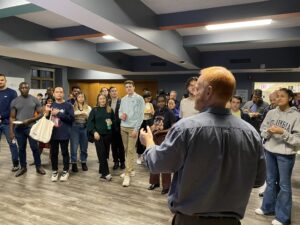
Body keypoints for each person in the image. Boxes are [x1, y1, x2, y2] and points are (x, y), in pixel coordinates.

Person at [140, 66, 266, 225]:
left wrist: (149, 142)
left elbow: (158, 164)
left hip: (190, 220)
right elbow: (258, 180)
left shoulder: (185, 128)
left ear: (208, 92)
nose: (194, 93)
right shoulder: (251, 133)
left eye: (197, 89)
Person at [255, 88, 300, 225]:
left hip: (286, 155)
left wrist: (283, 132)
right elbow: (262, 131)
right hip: (269, 151)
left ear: (290, 99)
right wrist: (268, 132)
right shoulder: (271, 112)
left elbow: (298, 140)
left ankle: (283, 217)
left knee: (284, 185)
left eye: (282, 96)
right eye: (277, 96)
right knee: (270, 181)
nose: (279, 99)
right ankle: (267, 208)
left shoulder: (296, 116)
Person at [10, 82, 46, 177]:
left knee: (35, 148)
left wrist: (30, 120)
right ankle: (23, 167)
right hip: (19, 129)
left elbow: (41, 114)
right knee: (21, 149)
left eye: (26, 87)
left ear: (29, 88)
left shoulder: (34, 100)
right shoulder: (15, 101)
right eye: (22, 88)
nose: (24, 89)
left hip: (31, 128)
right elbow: (12, 118)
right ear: (19, 89)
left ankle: (38, 166)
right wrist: (11, 131)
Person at [147, 95, 176, 195]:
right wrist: (153, 129)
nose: (161, 103)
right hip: (155, 137)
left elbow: (173, 128)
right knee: (154, 160)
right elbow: (155, 124)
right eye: (159, 101)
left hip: (165, 138)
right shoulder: (157, 111)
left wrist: (162, 131)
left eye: (162, 101)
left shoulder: (170, 113)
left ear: (166, 102)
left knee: (164, 162)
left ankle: (166, 186)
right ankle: (154, 183)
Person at [45, 87, 74, 182]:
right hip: (53, 133)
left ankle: (65, 171)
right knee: (53, 153)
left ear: (63, 94)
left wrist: (59, 113)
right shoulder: (50, 105)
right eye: (57, 92)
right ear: (53, 94)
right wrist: (46, 113)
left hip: (64, 133)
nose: (59, 94)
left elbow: (71, 119)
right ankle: (54, 171)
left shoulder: (68, 105)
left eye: (61, 92)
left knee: (65, 152)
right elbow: (46, 120)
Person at [119, 80, 145, 187]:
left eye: (130, 86)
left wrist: (136, 129)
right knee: (126, 150)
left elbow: (141, 115)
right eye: (127, 87)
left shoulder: (139, 98)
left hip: (133, 129)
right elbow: (120, 111)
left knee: (130, 150)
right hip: (123, 127)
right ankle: (131, 169)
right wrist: (121, 116)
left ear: (134, 87)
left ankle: (127, 174)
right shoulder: (124, 99)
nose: (128, 88)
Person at [87, 94, 114, 181]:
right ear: (98, 100)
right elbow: (90, 123)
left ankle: (101, 170)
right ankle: (105, 173)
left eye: (104, 99)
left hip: (108, 135)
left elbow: (114, 121)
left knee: (105, 154)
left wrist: (111, 123)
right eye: (100, 99)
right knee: (101, 153)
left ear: (106, 100)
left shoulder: (110, 110)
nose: (102, 100)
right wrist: (94, 132)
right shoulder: (94, 110)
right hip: (98, 135)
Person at [0, 74, 19, 171]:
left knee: (12, 143)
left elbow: (13, 109)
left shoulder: (12, 93)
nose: (0, 82)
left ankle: (16, 164)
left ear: (5, 80)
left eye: (2, 80)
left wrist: (1, 116)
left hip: (8, 123)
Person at [70, 92, 91, 172]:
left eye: (82, 97)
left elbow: (90, 119)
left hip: (84, 127)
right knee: (74, 147)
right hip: (74, 128)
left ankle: (83, 162)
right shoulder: (72, 107)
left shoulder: (88, 108)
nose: (81, 98)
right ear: (76, 98)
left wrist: (86, 115)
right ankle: (74, 163)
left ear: (84, 98)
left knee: (84, 147)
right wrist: (77, 114)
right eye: (79, 97)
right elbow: (70, 117)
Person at [108, 87, 125, 170]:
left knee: (121, 145)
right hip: (110, 127)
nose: (114, 92)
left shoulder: (122, 101)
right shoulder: (108, 102)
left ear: (117, 92)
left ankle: (122, 161)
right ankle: (115, 162)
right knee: (113, 146)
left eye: (115, 91)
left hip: (120, 126)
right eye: (112, 91)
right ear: (110, 93)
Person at [136, 91, 154, 165]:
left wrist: (151, 112)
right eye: (147, 98)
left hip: (149, 122)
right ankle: (139, 156)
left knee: (148, 139)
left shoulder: (150, 104)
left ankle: (145, 156)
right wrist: (145, 112)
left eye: (150, 98)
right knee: (140, 140)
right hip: (141, 122)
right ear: (144, 98)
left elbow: (153, 113)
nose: (148, 99)